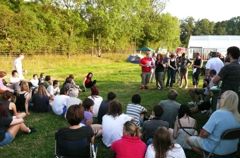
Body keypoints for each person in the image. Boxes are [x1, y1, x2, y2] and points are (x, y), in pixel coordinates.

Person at [187, 90, 240, 156]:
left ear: (224, 100)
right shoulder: (238, 117)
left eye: (220, 98)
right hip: (232, 150)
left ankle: (207, 155)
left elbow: (203, 134)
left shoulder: (218, 113)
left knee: (189, 139)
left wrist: (201, 135)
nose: (219, 100)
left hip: (216, 149)